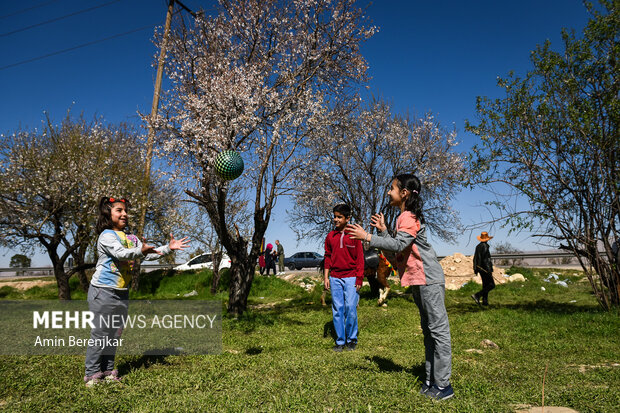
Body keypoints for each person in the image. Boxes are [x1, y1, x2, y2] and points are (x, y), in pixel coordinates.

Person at [346, 174, 454, 401]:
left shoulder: (408, 216)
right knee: (429, 332)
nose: (388, 192)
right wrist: (383, 232)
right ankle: (431, 380)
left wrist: (368, 236)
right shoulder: (403, 218)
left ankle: (444, 386)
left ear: (404, 193)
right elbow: (396, 252)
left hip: (429, 280)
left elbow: (398, 244)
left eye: (392, 188)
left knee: (438, 332)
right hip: (419, 280)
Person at [84, 197, 190, 387]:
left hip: (121, 292)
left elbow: (145, 251)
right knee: (101, 333)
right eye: (119, 210)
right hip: (103, 291)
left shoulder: (128, 236)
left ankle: (108, 371)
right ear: (108, 214)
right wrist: (140, 250)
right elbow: (121, 254)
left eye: (125, 211)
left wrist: (167, 248)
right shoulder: (107, 235)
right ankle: (92, 374)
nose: (124, 214)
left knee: (114, 334)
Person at [324, 203, 364, 352]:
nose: (335, 219)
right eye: (334, 216)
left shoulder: (354, 235)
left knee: (350, 309)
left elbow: (360, 258)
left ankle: (351, 339)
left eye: (339, 217)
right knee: (337, 309)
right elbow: (327, 257)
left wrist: (359, 278)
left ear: (347, 218)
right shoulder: (330, 236)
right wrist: (326, 277)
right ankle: (340, 341)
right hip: (335, 277)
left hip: (351, 277)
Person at [472, 231, 494, 307]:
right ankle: (477, 295)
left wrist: (475, 268)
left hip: (480, 268)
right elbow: (485, 259)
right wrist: (488, 269)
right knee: (491, 285)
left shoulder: (478, 246)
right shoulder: (485, 246)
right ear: (487, 239)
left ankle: (485, 302)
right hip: (485, 268)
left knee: (485, 285)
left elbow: (475, 258)